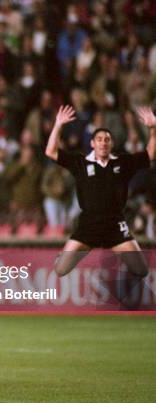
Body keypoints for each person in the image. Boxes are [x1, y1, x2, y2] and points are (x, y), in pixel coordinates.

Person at [45, 105, 155, 280]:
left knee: (142, 270)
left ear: (111, 144)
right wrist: (58, 125)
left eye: (107, 139)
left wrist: (153, 128)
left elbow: (150, 154)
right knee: (60, 270)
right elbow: (50, 152)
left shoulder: (122, 162)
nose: (103, 142)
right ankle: (64, 257)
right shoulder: (80, 163)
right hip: (89, 225)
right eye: (99, 139)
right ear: (92, 143)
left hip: (115, 225)